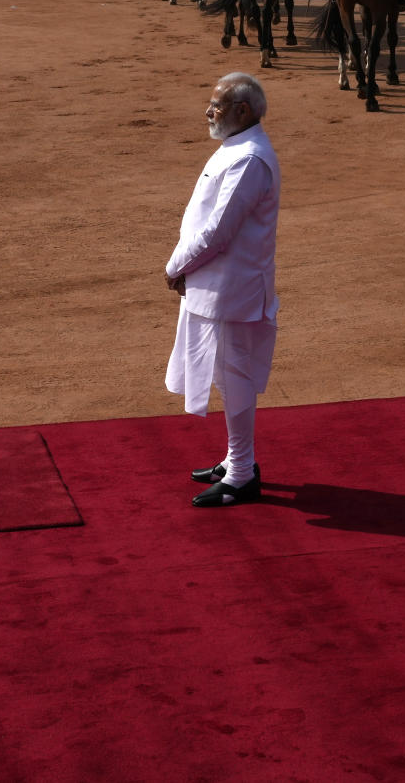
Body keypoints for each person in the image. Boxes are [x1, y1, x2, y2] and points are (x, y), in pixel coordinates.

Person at [165, 73, 281, 508]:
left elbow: (218, 231)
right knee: (223, 374)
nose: (207, 112)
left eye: (215, 105)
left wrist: (177, 265)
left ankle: (241, 473)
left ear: (242, 112)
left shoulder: (250, 160)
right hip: (215, 286)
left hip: (233, 290)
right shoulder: (235, 150)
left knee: (235, 377)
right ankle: (237, 459)